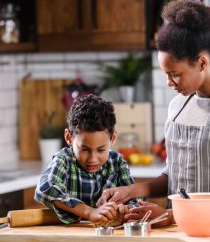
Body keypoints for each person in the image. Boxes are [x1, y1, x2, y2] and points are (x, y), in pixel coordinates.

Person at [97, 0, 210, 227]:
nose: (169, 82)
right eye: (166, 74)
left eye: (175, 74)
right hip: (181, 229)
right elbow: (174, 177)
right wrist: (131, 191)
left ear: (202, 63)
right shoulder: (178, 106)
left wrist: (171, 215)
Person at [35, 94, 138, 224]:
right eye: (84, 149)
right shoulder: (64, 160)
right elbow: (45, 189)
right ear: (69, 137)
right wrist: (89, 212)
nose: (92, 159)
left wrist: (124, 209)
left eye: (101, 150)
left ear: (113, 138)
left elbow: (136, 202)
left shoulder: (117, 162)